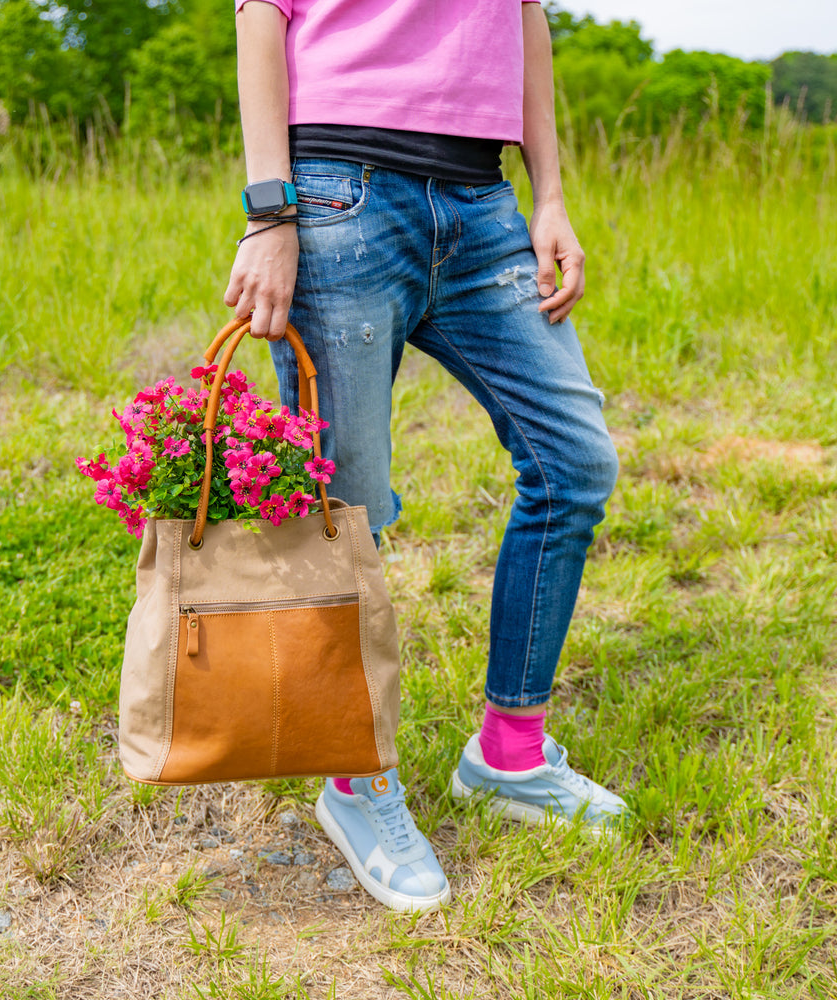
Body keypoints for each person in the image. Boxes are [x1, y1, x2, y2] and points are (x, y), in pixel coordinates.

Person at [224, 0, 628, 913]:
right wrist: (270, 209)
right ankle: (355, 780)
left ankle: (510, 755)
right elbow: (261, 14)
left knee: (574, 463)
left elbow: (524, 18)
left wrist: (550, 193)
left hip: (484, 203)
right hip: (338, 192)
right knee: (347, 509)